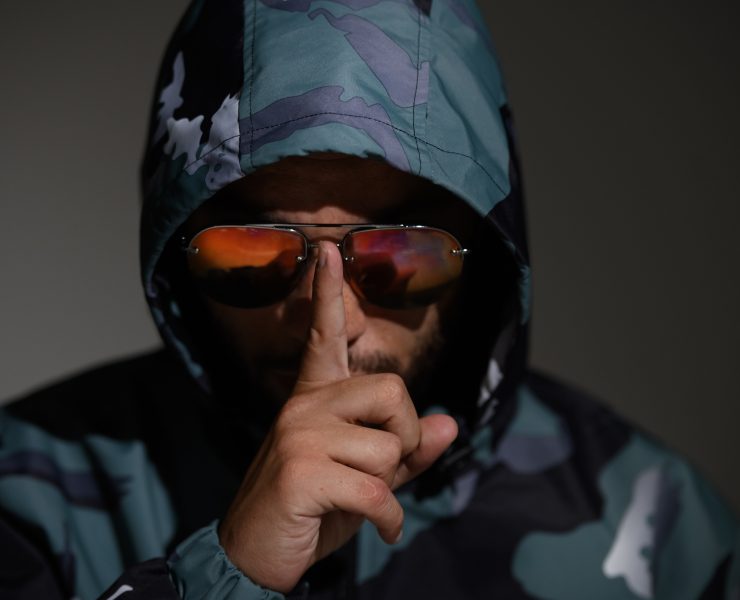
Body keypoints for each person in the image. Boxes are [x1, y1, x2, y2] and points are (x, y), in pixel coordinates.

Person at [1, 0, 737, 598]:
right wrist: (229, 575)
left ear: (483, 257)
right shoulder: (25, 495)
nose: (333, 320)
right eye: (253, 254)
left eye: (398, 255)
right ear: (176, 257)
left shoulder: (660, 527)